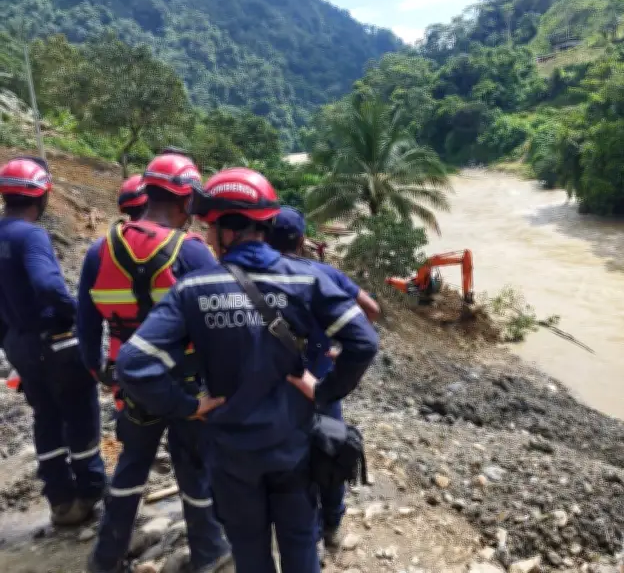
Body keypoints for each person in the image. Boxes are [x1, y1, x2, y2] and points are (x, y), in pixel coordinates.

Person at [113, 167, 379, 573]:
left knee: (250, 553)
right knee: (300, 546)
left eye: (211, 226)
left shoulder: (192, 289)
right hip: (293, 449)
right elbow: (364, 342)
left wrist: (186, 406)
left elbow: (133, 363)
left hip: (231, 457)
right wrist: (323, 391)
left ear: (225, 229)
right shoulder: (308, 278)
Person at [77, 153, 229, 573]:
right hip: (187, 384)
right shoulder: (193, 253)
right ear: (186, 201)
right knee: (194, 470)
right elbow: (219, 330)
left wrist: (101, 374)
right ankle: (208, 553)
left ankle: (106, 558)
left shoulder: (99, 250)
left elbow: (86, 329)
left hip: (131, 383)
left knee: (130, 467)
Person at [0, 157, 106, 525]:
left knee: (46, 417)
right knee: (80, 414)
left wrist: (11, 342)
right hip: (54, 342)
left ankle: (59, 500)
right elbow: (47, 285)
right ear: (42, 196)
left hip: (21, 344)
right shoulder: (30, 235)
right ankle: (91, 492)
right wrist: (78, 313)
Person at [269, 206, 379, 551]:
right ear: (302, 240)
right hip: (324, 383)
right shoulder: (324, 273)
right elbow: (371, 311)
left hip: (281, 383)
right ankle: (331, 522)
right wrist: (339, 350)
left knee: (290, 455)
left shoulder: (256, 277)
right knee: (330, 448)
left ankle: (305, 529)